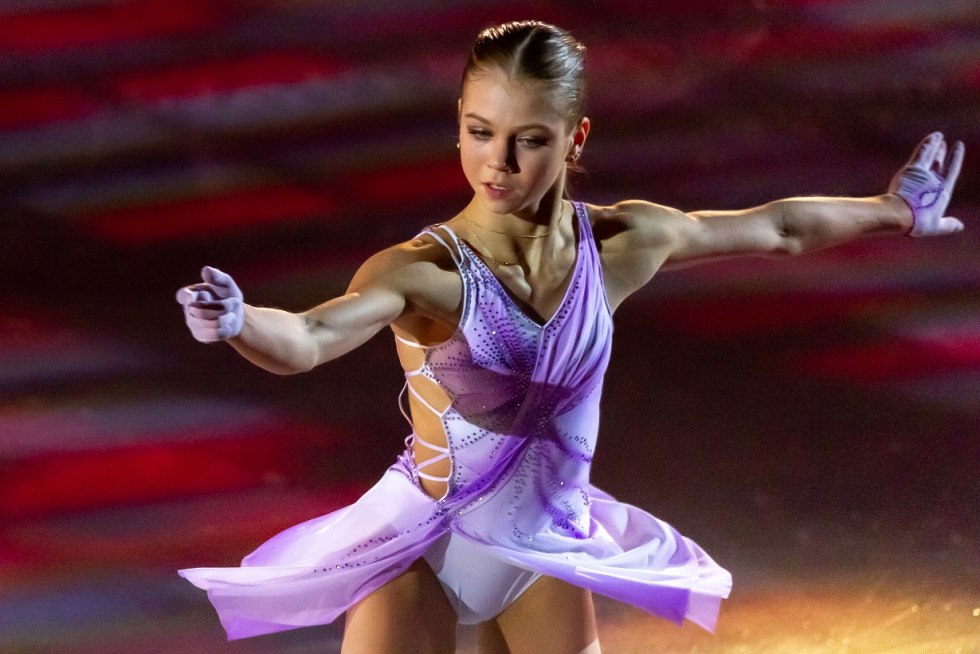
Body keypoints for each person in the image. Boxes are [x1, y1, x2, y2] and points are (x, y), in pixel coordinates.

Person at [175, 20, 965, 654]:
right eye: (481, 132)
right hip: (422, 549)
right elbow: (311, 336)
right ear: (457, 125)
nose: (500, 161)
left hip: (545, 552)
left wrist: (897, 210)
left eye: (530, 139)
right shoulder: (424, 272)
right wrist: (241, 322)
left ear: (574, 138)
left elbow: (780, 227)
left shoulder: (623, 244)